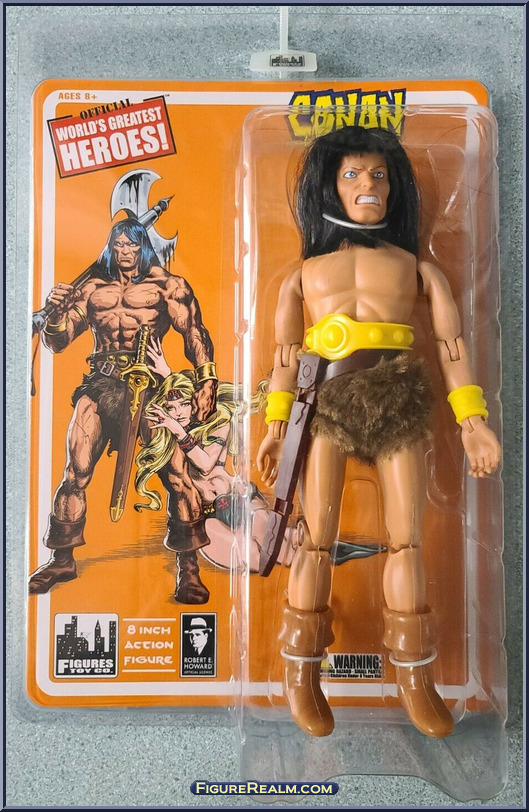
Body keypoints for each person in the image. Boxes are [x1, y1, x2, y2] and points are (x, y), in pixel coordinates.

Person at [256, 125, 501, 738]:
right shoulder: (304, 274)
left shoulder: (416, 269)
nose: (367, 183)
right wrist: (276, 427)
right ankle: (300, 675)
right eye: (352, 174)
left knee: (407, 541)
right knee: (315, 540)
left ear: (395, 188)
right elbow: (285, 358)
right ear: (330, 188)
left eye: (379, 174)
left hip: (397, 398)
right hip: (326, 402)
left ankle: (415, 678)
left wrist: (472, 423)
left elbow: (452, 347)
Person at [29, 218, 217, 595]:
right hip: (101, 384)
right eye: (118, 245)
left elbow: (194, 331)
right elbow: (59, 342)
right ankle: (62, 560)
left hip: (150, 388)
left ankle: (189, 569)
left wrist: (207, 379)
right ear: (110, 248)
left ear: (143, 246)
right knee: (76, 470)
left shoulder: (168, 286)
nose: (125, 251)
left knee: (177, 475)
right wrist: (54, 316)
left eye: (132, 245)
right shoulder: (91, 289)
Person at [134, 340, 295, 603]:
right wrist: (166, 375)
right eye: (171, 408)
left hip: (240, 502)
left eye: (184, 404)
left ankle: (300, 546)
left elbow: (206, 463)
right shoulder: (168, 430)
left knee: (282, 547)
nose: (178, 413)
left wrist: (178, 430)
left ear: (194, 403)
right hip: (207, 516)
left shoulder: (219, 421)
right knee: (254, 558)